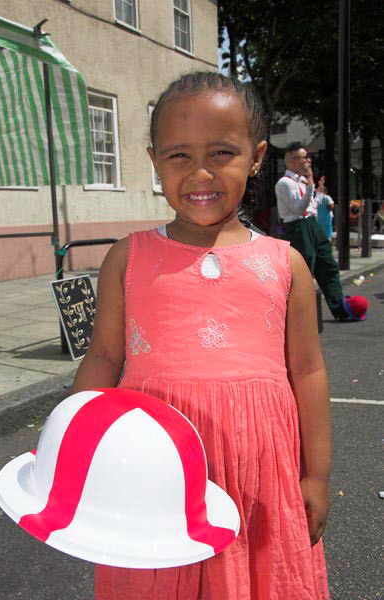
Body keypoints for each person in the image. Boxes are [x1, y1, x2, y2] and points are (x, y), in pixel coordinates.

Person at [71, 72, 331, 599]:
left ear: (256, 156)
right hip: (154, 474)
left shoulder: (286, 265)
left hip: (259, 474)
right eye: (179, 156)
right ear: (153, 159)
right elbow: (102, 358)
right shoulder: (129, 258)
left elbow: (307, 371)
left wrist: (318, 475)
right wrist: (73, 450)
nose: (201, 173)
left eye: (221, 152)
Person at [275, 143, 358, 321]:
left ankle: (340, 308)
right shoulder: (285, 183)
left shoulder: (302, 181)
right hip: (297, 227)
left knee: (327, 264)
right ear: (291, 160)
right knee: (304, 270)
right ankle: (298, 316)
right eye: (304, 158)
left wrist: (316, 191)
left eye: (308, 157)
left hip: (311, 224)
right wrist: (311, 186)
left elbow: (310, 205)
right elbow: (298, 209)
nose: (308, 161)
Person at [315, 176, 334, 241]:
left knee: (320, 233)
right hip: (326, 218)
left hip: (319, 218)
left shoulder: (316, 199)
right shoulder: (327, 197)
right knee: (327, 233)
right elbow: (331, 206)